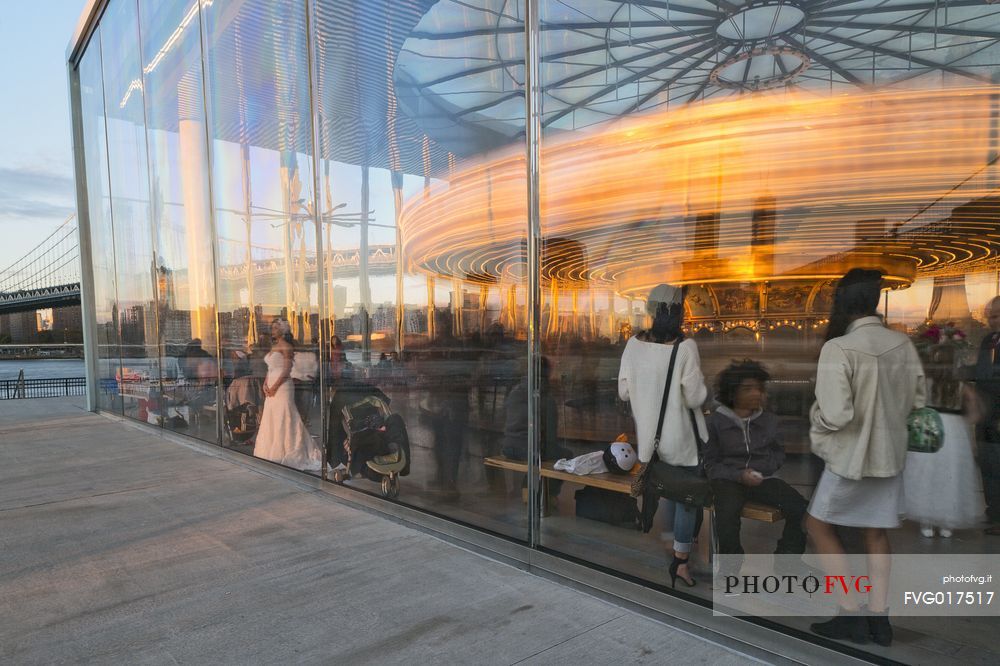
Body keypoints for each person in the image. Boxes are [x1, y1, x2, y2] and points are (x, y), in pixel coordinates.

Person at [806, 269, 925, 646]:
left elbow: (837, 415)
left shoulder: (838, 347)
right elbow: (918, 402)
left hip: (850, 459)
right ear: (875, 301)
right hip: (889, 457)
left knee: (817, 526)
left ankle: (849, 611)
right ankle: (880, 620)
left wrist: (816, 417)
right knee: (875, 534)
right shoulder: (902, 345)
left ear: (842, 304)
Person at [619, 283, 708, 588]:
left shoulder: (632, 345)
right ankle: (681, 561)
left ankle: (672, 541)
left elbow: (623, 391)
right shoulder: (686, 348)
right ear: (679, 312)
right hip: (681, 440)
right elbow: (695, 398)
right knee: (686, 496)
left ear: (649, 309)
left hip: (650, 442)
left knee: (668, 488)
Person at [704, 360, 807, 569]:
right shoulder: (715, 422)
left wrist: (763, 470)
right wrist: (739, 475)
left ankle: (787, 561)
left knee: (801, 508)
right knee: (727, 514)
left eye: (759, 388)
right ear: (732, 393)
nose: (756, 394)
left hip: (763, 479)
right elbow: (710, 463)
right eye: (747, 389)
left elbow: (779, 453)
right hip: (728, 480)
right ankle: (729, 570)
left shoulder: (769, 420)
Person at [904, 335, 985, 537]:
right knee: (951, 476)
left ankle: (927, 522)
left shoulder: (926, 383)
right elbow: (975, 414)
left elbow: (912, 405)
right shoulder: (963, 387)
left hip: (929, 426)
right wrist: (962, 424)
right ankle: (947, 523)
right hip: (954, 431)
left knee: (927, 475)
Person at [253, 319, 325, 472]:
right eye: (272, 327)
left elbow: (286, 370)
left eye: (276, 327)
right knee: (271, 416)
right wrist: (266, 384)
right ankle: (271, 451)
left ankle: (290, 450)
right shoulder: (274, 346)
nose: (273, 330)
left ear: (283, 330)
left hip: (283, 387)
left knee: (285, 416)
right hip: (271, 384)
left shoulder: (287, 347)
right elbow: (270, 368)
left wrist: (274, 387)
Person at [973, 295, 1000, 536]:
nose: (993, 320)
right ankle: (994, 514)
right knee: (989, 465)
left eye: (997, 315)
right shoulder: (987, 341)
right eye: (991, 316)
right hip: (985, 414)